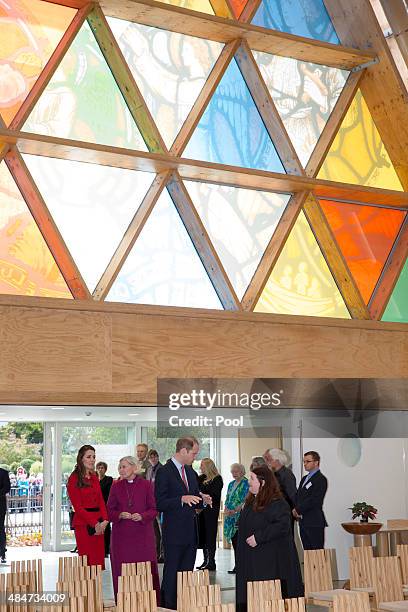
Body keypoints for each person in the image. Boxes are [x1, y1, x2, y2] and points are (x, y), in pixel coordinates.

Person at [155, 437, 212, 610]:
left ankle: (184, 605)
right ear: (184, 451)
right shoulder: (165, 471)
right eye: (194, 453)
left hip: (190, 531)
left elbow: (193, 497)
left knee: (187, 573)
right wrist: (181, 499)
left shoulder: (189, 472)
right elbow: (159, 502)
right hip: (173, 531)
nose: (195, 456)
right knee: (172, 572)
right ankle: (168, 606)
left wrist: (203, 499)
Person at [236, 466, 303, 611]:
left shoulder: (278, 502)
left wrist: (259, 537)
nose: (249, 482)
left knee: (268, 600)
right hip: (252, 558)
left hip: (270, 560)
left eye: (252, 479)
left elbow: (282, 526)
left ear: (263, 482)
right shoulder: (251, 501)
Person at [107, 456, 160, 602]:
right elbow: (109, 511)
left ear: (134, 467)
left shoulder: (146, 485)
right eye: (120, 467)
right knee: (123, 571)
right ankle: (125, 603)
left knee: (145, 571)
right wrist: (119, 514)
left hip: (142, 537)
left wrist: (142, 516)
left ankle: (148, 603)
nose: (121, 470)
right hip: (122, 539)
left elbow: (154, 509)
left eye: (124, 466)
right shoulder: (116, 486)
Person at [67, 445, 109, 567]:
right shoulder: (74, 478)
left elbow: (101, 500)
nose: (92, 460)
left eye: (94, 457)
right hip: (84, 523)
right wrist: (95, 524)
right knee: (87, 563)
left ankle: (96, 587)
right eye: (89, 457)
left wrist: (105, 520)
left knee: (97, 563)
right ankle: (88, 587)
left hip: (99, 523)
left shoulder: (95, 477)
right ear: (81, 459)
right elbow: (78, 507)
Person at [293, 451, 328, 550]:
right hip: (303, 521)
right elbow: (298, 496)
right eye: (304, 461)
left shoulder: (321, 479)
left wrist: (298, 510)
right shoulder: (304, 479)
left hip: (314, 522)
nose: (305, 464)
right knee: (307, 553)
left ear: (316, 462)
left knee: (317, 553)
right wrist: (294, 508)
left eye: (308, 461)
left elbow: (315, 500)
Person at [197, 458, 223, 571]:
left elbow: (215, 495)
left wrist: (203, 495)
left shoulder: (217, 479)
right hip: (201, 510)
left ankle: (211, 561)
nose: (200, 467)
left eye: (202, 465)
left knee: (210, 535)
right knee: (203, 534)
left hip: (211, 511)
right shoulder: (201, 478)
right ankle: (205, 560)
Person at [145, 450, 164, 563]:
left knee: (162, 531)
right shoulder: (148, 470)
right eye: (151, 457)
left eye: (155, 456)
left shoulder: (162, 469)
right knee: (154, 532)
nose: (153, 459)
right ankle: (156, 554)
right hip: (151, 504)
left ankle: (163, 554)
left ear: (157, 457)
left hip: (160, 504)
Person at [96, 461, 113, 557]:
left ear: (105, 469)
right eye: (98, 468)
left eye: (102, 468)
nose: (100, 469)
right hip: (96, 508)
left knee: (106, 528)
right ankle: (98, 548)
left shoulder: (108, 479)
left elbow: (108, 493)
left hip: (105, 506)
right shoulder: (94, 479)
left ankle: (106, 549)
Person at [0, 467, 10, 563]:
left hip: (0, 506)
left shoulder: (3, 473)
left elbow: (7, 487)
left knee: (0, 529)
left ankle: (2, 553)